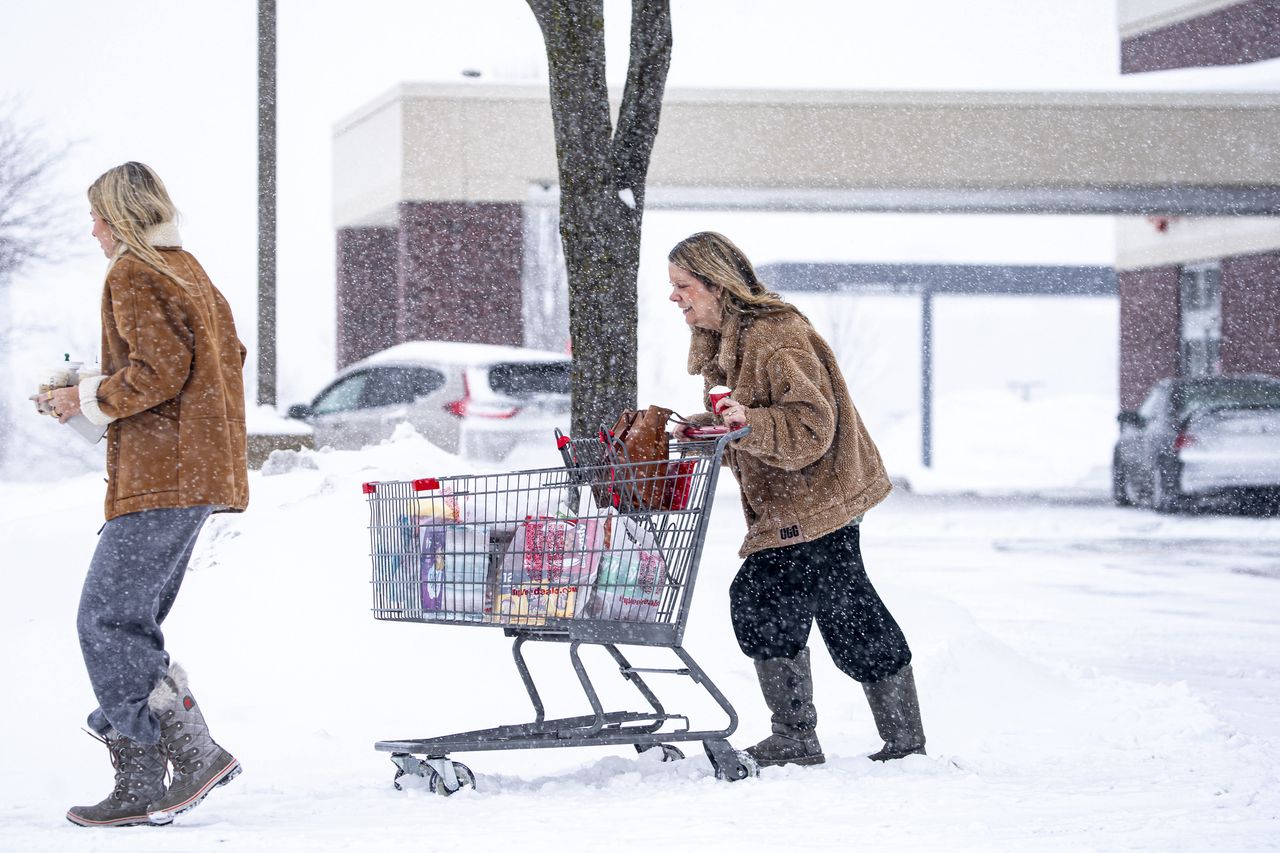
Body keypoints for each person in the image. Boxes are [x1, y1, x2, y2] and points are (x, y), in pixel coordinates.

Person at [668, 231, 925, 768]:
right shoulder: (726, 343)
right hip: (789, 503)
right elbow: (749, 421)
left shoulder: (775, 337)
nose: (675, 298)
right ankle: (840, 740)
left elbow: (812, 426)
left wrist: (746, 424)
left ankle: (853, 741)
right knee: (806, 603)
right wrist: (709, 429)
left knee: (821, 605)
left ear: (717, 284)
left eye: (683, 286)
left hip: (820, 496)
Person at [43, 162, 248, 827]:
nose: (93, 228)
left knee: (105, 618)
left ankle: (175, 759)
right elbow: (227, 356)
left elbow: (158, 371)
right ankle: (172, 758)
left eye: (98, 214)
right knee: (126, 619)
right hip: (197, 474)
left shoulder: (133, 272)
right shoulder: (187, 268)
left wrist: (87, 397)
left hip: (160, 475)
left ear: (122, 217)